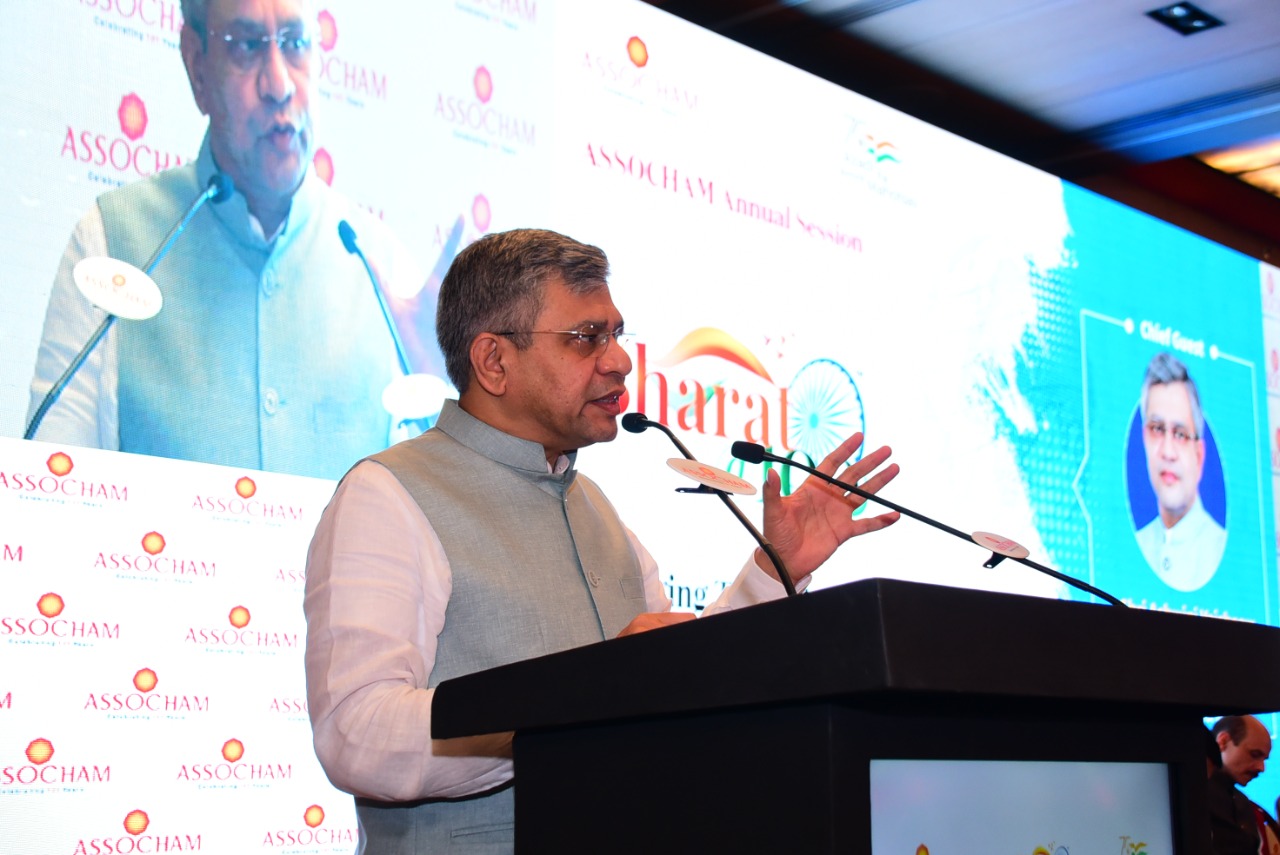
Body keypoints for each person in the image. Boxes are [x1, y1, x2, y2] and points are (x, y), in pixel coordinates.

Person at [303, 228, 902, 852]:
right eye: (587, 337)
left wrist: (775, 570)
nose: (619, 361)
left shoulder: (598, 510)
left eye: (616, 334)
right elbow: (356, 735)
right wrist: (588, 696)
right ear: (494, 362)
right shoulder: (389, 493)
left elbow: (681, 674)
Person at [25, 0, 421, 480]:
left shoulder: (384, 272)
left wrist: (454, 394)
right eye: (246, 46)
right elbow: (51, 490)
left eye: (296, 43)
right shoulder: (111, 246)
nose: (279, 85)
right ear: (198, 67)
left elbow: (441, 509)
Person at [1134, 351, 1227, 591]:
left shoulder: (1220, 547)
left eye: (1180, 434)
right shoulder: (1139, 542)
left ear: (1199, 455)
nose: (1168, 451)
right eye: (1157, 429)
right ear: (1144, 439)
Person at [1208, 715, 1279, 855]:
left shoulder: (1246, 805)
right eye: (1254, 754)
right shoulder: (1193, 797)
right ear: (1223, 742)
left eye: (1264, 759)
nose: (1261, 768)